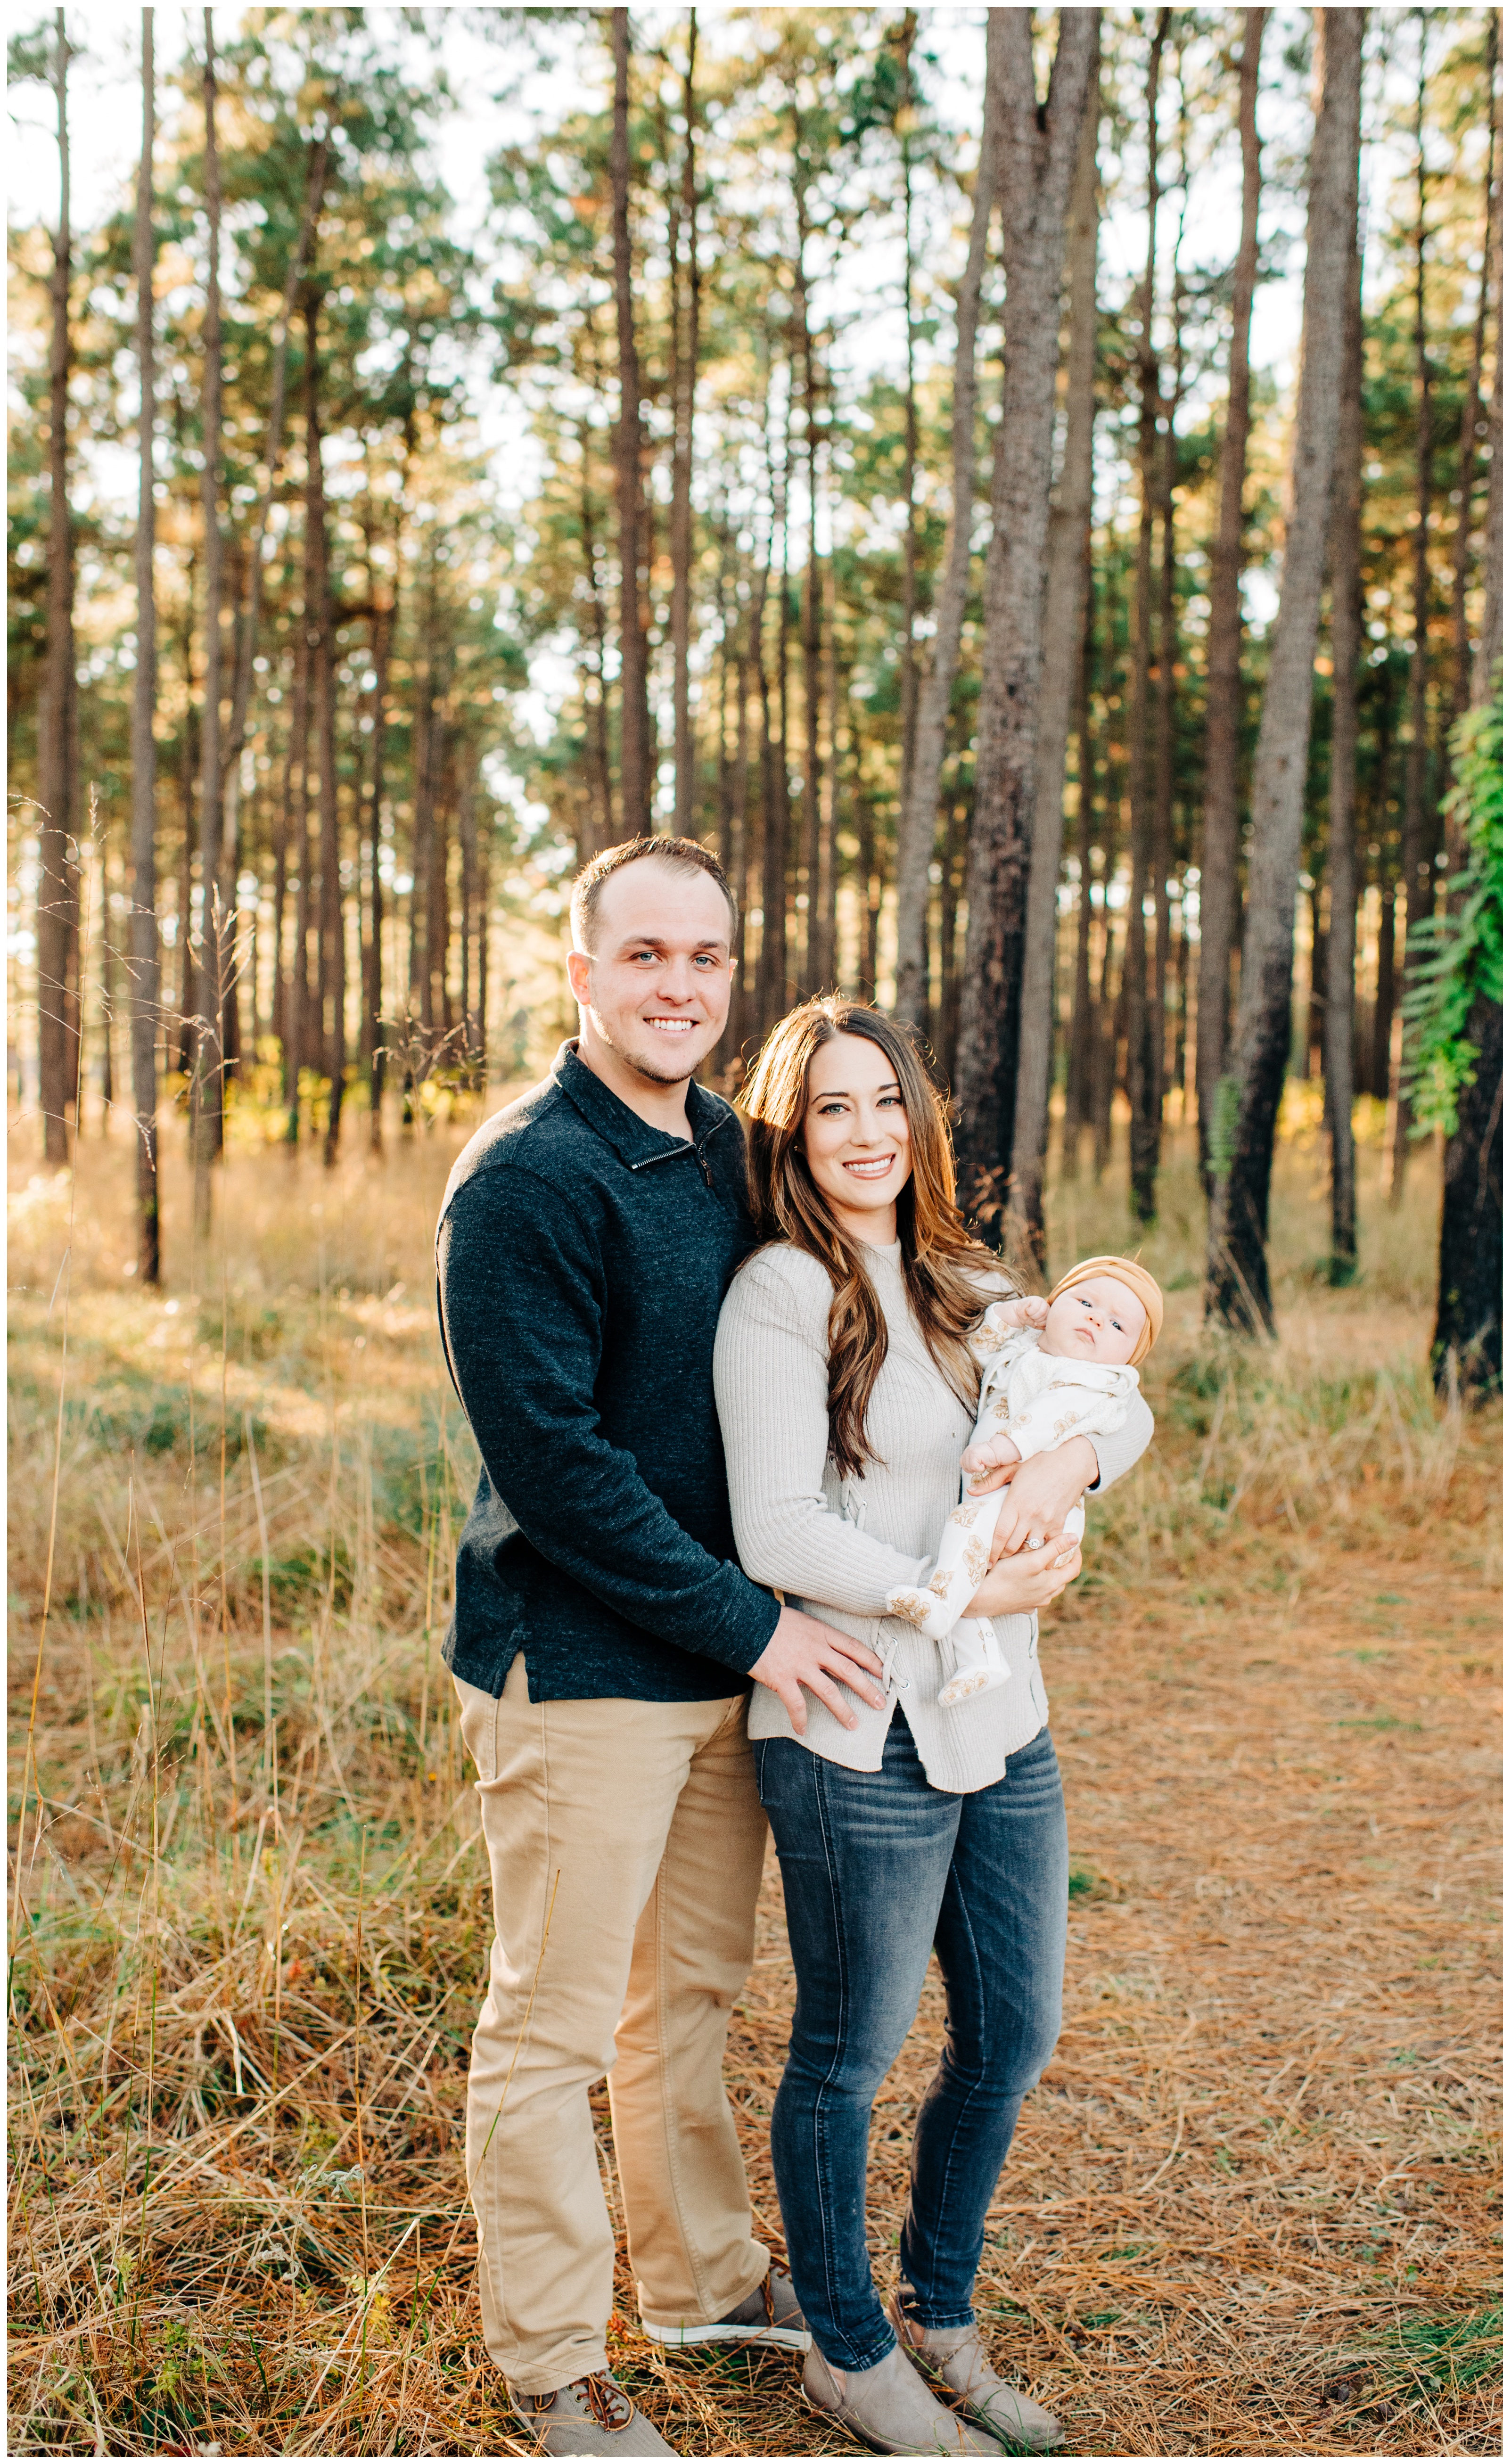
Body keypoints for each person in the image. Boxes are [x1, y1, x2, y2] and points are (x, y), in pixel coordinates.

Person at [435, 841, 887, 2458]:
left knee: (684, 1993)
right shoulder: (525, 1179)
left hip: (728, 1659)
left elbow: (885, 1276)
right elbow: (558, 1470)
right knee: (550, 2025)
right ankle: (554, 2360)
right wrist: (760, 1625)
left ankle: (702, 2275)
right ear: (580, 971)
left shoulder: (735, 1149)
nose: (679, 983)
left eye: (705, 954)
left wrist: (1064, 1393)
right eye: (644, 955)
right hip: (586, 1664)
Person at [713, 999, 1154, 2457]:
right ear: (793, 1128)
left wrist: (1075, 1463)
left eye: (885, 1100)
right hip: (852, 1724)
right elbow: (775, 1524)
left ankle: (938, 2312)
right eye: (831, 1107)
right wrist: (933, 1589)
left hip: (999, 1718)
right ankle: (849, 2348)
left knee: (1012, 2032)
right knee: (845, 2053)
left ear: (920, 1117)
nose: (864, 1133)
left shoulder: (968, 1279)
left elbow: (1114, 1379)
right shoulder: (778, 1289)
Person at [887, 1257, 1164, 1707]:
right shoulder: (1028, 1350)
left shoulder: (1094, 1382)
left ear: (1130, 1358)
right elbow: (974, 1353)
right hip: (998, 1497)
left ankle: (939, 1607)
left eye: (1117, 1325)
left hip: (1035, 1513)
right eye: (1086, 1301)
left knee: (963, 1533)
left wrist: (1000, 1451)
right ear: (1053, 1303)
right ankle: (981, 1659)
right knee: (969, 1566)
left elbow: (1047, 1421)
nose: (1096, 1318)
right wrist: (1008, 1316)